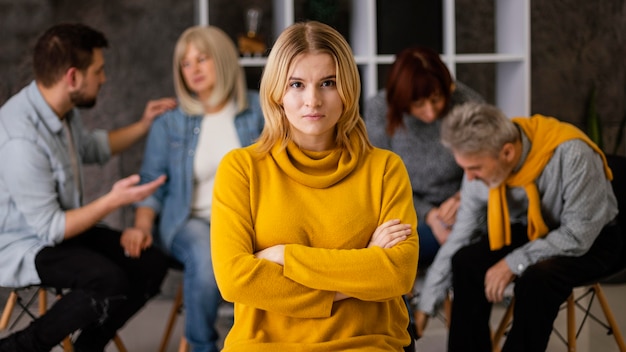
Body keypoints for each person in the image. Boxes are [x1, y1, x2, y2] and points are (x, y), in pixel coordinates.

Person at [210, 20, 419, 351]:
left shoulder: (384, 169)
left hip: (366, 343)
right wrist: (363, 268)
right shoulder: (242, 169)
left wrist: (284, 257)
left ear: (348, 88)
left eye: (328, 83)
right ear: (277, 91)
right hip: (264, 345)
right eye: (296, 84)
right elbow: (235, 280)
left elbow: (398, 273)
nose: (313, 100)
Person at [0, 23, 177, 351]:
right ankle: (19, 346)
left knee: (151, 263)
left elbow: (92, 147)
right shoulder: (20, 139)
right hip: (26, 244)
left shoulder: (61, 109)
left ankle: (87, 348)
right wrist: (114, 200)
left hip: (63, 229)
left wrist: (143, 125)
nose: (104, 78)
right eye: (99, 70)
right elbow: (50, 229)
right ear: (72, 77)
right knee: (108, 281)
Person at [430, 102, 623, 351]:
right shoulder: (493, 154)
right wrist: (428, 300)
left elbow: (578, 235)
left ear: (508, 153)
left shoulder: (573, 154)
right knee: (466, 261)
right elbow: (464, 233)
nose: (468, 178)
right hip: (537, 228)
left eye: (475, 168)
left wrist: (513, 262)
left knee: (537, 278)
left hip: (595, 238)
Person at [123, 25, 264, 352]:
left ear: (224, 59)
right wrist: (141, 226)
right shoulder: (170, 122)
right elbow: (151, 182)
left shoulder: (258, 110)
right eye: (186, 64)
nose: (194, 69)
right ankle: (203, 347)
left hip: (248, 221)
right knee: (206, 252)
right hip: (190, 221)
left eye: (202, 58)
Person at [364, 46, 484, 268]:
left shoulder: (468, 105)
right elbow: (379, 180)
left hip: (464, 208)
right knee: (385, 257)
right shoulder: (379, 109)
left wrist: (461, 198)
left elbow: (490, 165)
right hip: (403, 211)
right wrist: (429, 215)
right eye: (418, 104)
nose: (430, 112)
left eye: (437, 99)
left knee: (468, 251)